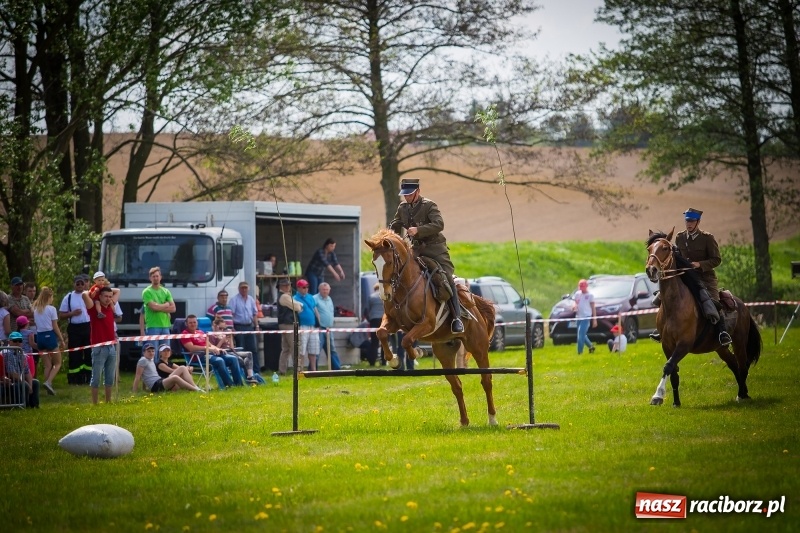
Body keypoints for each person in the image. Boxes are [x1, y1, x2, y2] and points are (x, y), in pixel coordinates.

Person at [390, 178, 463, 333]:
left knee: (447, 278)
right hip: (415, 249)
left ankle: (457, 318)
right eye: (405, 195)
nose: (407, 197)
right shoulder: (402, 207)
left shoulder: (429, 205)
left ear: (418, 192)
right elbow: (395, 225)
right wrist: (389, 238)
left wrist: (419, 230)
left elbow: (439, 224)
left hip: (435, 249)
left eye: (409, 194)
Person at [674, 207, 732, 346]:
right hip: (686, 276)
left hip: (706, 278)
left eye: (692, 221)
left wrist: (699, 264)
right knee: (665, 295)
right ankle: (663, 329)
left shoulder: (707, 238)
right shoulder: (680, 237)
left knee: (713, 302)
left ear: (698, 222)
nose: (689, 223)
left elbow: (716, 259)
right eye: (687, 220)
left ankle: (722, 332)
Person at [181, 315, 243, 388]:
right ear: (186, 324)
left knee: (233, 358)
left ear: (197, 323)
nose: (193, 324)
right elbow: (191, 348)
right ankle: (229, 385)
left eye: (194, 322)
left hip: (211, 353)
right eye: (190, 322)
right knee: (219, 361)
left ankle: (239, 385)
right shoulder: (184, 334)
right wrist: (207, 348)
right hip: (199, 356)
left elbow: (209, 344)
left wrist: (218, 349)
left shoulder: (200, 332)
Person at [82, 286, 119, 404]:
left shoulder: (110, 308)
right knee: (96, 377)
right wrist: (96, 290)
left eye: (110, 296)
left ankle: (108, 401)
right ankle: (95, 403)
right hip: (99, 347)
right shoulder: (93, 309)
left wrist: (104, 287)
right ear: (100, 296)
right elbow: (84, 294)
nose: (108, 299)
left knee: (109, 377)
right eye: (105, 296)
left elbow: (117, 291)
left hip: (111, 347)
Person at [58, 274, 93, 385]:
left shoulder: (89, 295)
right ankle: (74, 378)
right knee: (75, 354)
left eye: (82, 283)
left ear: (85, 284)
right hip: (74, 329)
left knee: (89, 353)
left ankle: (88, 377)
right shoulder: (68, 297)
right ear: (74, 284)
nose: (79, 285)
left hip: (88, 327)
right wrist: (72, 313)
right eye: (77, 283)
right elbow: (61, 315)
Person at [32, 287, 66, 395]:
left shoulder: (36, 309)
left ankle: (48, 387)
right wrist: (61, 339)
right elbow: (54, 326)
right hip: (49, 336)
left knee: (47, 365)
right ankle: (49, 382)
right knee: (58, 363)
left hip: (40, 337)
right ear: (49, 297)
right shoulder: (51, 309)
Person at [132, 343, 202, 393]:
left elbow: (145, 376)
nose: (151, 353)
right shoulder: (144, 360)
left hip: (161, 381)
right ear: (143, 352)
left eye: (152, 351)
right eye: (148, 351)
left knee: (182, 368)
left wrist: (144, 388)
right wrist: (134, 392)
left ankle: (196, 387)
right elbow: (138, 376)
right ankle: (196, 389)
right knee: (176, 376)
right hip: (156, 385)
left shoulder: (150, 360)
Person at [208, 316, 260, 384]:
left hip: (230, 351)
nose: (222, 330)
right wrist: (222, 341)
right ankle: (245, 380)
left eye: (224, 328)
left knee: (249, 354)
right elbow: (215, 349)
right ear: (215, 326)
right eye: (220, 328)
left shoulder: (224, 334)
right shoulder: (212, 335)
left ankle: (250, 377)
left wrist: (230, 338)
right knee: (240, 360)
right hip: (223, 353)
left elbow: (232, 348)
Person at [141, 266, 176, 352]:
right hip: (153, 326)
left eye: (157, 276)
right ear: (150, 278)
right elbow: (153, 307)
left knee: (165, 353)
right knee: (153, 352)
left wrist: (158, 307)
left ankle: (162, 366)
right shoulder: (147, 292)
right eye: (153, 276)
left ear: (160, 277)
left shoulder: (166, 291)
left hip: (165, 326)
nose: (156, 278)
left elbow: (173, 308)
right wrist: (166, 305)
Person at [228, 281, 260, 370]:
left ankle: (256, 370)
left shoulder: (251, 299)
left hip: (249, 326)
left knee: (253, 349)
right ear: (239, 289)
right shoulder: (234, 300)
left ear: (248, 289)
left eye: (246, 288)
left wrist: (256, 326)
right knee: (241, 349)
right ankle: (243, 369)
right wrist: (232, 328)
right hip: (239, 326)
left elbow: (254, 314)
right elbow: (231, 315)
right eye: (242, 288)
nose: (244, 289)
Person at [2, 332, 40, 408]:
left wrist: (30, 385)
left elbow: (27, 371)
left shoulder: (21, 353)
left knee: (35, 382)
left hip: (19, 379)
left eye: (20, 340)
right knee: (23, 385)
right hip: (9, 380)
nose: (18, 343)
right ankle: (22, 406)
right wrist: (26, 383)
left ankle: (34, 406)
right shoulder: (7, 353)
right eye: (15, 341)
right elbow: (11, 373)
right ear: (9, 341)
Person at [277, 278, 303, 375]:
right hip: (288, 324)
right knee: (295, 347)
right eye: (286, 285)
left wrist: (298, 304)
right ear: (281, 286)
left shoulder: (285, 296)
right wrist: (299, 305)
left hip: (285, 324)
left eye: (289, 285)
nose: (288, 287)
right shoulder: (284, 296)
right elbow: (297, 307)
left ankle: (282, 370)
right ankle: (298, 370)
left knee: (286, 349)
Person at [293, 279, 320, 371]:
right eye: (304, 287)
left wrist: (318, 322)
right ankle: (300, 370)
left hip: (312, 326)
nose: (306, 289)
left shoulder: (310, 297)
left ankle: (314, 370)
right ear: (299, 288)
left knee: (313, 349)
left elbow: (315, 309)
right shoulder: (295, 298)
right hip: (302, 326)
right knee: (301, 350)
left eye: (307, 287)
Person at [314, 282, 341, 370]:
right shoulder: (315, 298)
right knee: (317, 350)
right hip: (320, 328)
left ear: (329, 290)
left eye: (327, 290)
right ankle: (314, 369)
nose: (325, 291)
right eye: (323, 290)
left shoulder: (329, 299)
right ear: (319, 290)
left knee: (332, 349)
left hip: (329, 328)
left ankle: (337, 369)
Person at [573, 279, 597, 355]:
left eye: (583, 285)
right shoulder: (577, 294)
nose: (581, 287)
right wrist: (574, 307)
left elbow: (593, 307)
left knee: (580, 335)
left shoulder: (590, 295)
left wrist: (594, 319)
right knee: (582, 335)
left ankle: (580, 352)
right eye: (580, 285)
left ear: (586, 286)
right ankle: (591, 346)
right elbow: (575, 303)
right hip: (578, 317)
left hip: (586, 317)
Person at [364, 282, 385, 366]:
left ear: (374, 289)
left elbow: (366, 310)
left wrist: (370, 319)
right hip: (384, 320)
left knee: (374, 342)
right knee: (385, 342)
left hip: (374, 320)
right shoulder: (385, 297)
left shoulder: (371, 297)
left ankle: (372, 362)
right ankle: (384, 361)